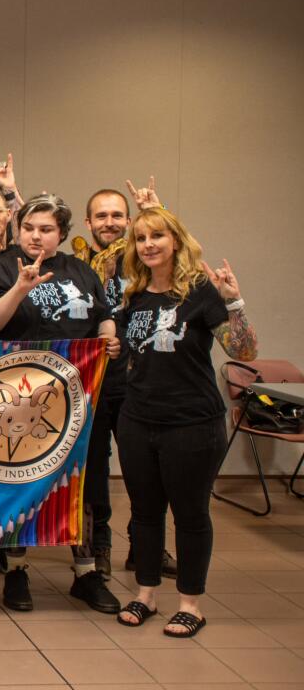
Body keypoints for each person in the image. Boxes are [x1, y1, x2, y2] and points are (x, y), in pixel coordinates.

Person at [0, 193, 121, 615]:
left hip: (77, 397)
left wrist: (109, 335)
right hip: (17, 397)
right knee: (20, 480)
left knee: (83, 482)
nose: (36, 237)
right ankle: (17, 569)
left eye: (46, 229)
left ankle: (86, 571)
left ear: (62, 235)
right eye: (29, 228)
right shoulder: (3, 266)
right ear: (17, 229)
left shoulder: (80, 271)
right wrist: (20, 288)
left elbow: (103, 313)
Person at [113, 208, 257, 638]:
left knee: (190, 514)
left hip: (191, 423)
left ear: (176, 240)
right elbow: (128, 351)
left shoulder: (200, 292)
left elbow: (243, 351)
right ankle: (145, 595)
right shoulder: (134, 296)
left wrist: (233, 299)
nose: (149, 244)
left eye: (157, 236)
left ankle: (191, 603)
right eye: (141, 238)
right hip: (138, 419)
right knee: (144, 513)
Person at [70, 179, 177, 579]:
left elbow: (176, 250)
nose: (109, 222)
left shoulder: (145, 264)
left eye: (117, 215)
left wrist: (158, 209)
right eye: (102, 216)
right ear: (88, 222)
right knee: (94, 472)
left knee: (146, 471)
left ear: (129, 220)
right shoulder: (76, 268)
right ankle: (99, 548)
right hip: (93, 383)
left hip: (139, 383)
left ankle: (145, 548)